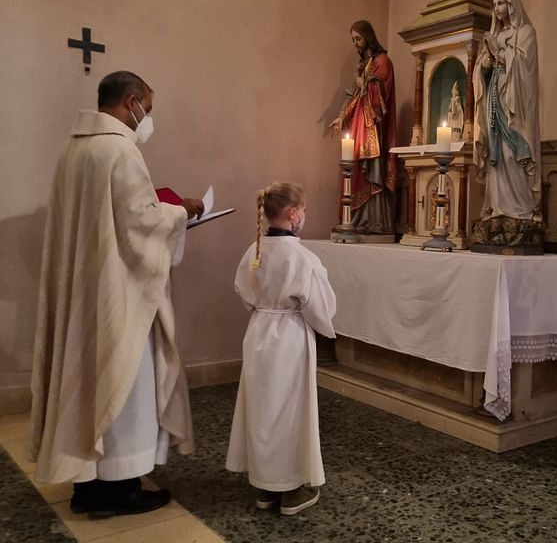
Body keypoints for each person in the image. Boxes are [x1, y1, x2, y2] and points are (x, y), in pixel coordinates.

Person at [28, 71, 204, 517]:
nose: (148, 117)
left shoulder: (74, 150)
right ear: (131, 101)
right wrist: (182, 210)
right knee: (126, 384)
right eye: (148, 107)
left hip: (85, 291)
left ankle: (87, 487)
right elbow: (139, 223)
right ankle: (120, 489)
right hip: (120, 294)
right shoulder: (121, 150)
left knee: (87, 385)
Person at [226, 182, 336, 516]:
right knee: (289, 409)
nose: (304, 216)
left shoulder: (254, 250)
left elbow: (243, 289)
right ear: (292, 213)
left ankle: (265, 486)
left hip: (259, 330)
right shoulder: (303, 258)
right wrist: (322, 327)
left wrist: (264, 311)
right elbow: (322, 308)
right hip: (289, 335)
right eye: (303, 210)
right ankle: (289, 488)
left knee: (263, 407)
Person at [473, 0, 541, 222]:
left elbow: (525, 67)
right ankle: (498, 207)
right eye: (494, 5)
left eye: (500, 3)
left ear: (511, 5)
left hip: (515, 102)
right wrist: (485, 63)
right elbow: (483, 69)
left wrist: (498, 52)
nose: (497, 8)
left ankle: (520, 209)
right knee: (498, 152)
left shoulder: (526, 32)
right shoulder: (497, 34)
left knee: (512, 153)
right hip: (495, 96)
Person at [329, 20, 397, 234]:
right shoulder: (362, 65)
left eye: (358, 38)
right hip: (359, 123)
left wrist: (365, 84)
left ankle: (374, 222)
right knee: (355, 169)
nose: (356, 43)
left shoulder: (383, 61)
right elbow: (352, 94)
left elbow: (381, 95)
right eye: (353, 39)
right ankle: (355, 219)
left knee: (371, 169)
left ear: (368, 36)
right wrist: (341, 116)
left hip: (373, 128)